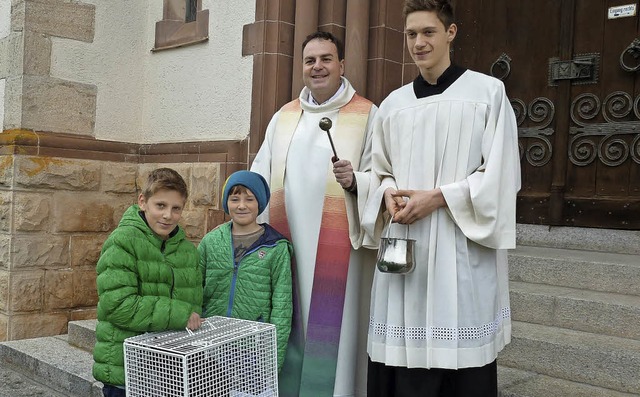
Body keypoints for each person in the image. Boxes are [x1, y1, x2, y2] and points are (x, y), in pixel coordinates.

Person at [361, 1, 521, 396]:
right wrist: (387, 196)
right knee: (404, 347)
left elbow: (502, 174)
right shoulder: (392, 105)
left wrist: (440, 197)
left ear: (450, 33)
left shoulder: (487, 92)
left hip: (460, 244)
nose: (418, 42)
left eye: (428, 32)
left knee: (461, 349)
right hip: (406, 249)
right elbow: (379, 170)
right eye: (412, 34)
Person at [251, 31, 378, 397]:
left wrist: (357, 181)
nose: (317, 67)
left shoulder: (367, 114)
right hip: (287, 245)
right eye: (310, 60)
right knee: (292, 320)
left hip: (342, 256)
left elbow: (384, 177)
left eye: (326, 59)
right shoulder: (284, 117)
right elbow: (261, 172)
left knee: (334, 333)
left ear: (341, 65)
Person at [93, 168, 204, 397]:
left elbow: (193, 304)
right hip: (126, 371)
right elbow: (117, 305)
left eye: (176, 209)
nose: (168, 216)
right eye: (160, 206)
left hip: (168, 371)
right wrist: (179, 314)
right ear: (143, 202)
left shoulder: (187, 250)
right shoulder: (122, 241)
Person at [198, 170, 293, 373]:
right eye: (235, 199)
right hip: (211, 343)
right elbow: (194, 287)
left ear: (259, 203)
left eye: (249, 199)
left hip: (252, 348)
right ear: (227, 203)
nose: (241, 205)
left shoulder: (275, 247)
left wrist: (274, 357)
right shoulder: (210, 241)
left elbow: (282, 305)